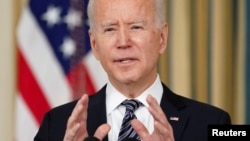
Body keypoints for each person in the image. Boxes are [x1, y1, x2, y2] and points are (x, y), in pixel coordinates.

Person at [34, 0, 231, 141]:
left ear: (162, 38)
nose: (123, 42)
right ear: (94, 45)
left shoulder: (213, 123)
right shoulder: (56, 126)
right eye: (110, 29)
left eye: (136, 27)